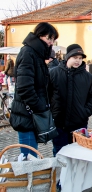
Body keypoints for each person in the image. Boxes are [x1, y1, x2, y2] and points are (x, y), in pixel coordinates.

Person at [9, 22, 59, 157]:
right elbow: (25, 88)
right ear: (39, 35)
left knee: (31, 157)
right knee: (29, 159)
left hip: (31, 114)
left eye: (53, 39)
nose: (51, 42)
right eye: (49, 38)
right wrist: (40, 107)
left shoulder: (36, 55)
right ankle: (28, 178)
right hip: (27, 115)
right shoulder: (28, 53)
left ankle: (30, 177)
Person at [49, 44, 92, 156]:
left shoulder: (88, 77)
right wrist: (52, 112)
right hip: (59, 124)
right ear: (68, 57)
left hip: (79, 124)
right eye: (75, 58)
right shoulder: (54, 73)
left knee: (78, 155)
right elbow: (47, 95)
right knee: (59, 154)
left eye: (80, 58)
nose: (78, 61)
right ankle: (59, 174)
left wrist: (85, 112)